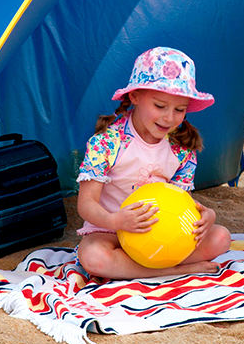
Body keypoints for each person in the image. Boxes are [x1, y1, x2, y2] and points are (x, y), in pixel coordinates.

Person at [75, 46, 231, 279]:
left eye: (180, 109)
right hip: (111, 230)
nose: (169, 118)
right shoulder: (107, 142)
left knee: (221, 237)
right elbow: (86, 204)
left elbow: (180, 202)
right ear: (135, 96)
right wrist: (115, 220)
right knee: (92, 256)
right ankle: (177, 270)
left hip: (164, 232)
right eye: (160, 106)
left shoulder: (182, 150)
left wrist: (204, 215)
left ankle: (136, 268)